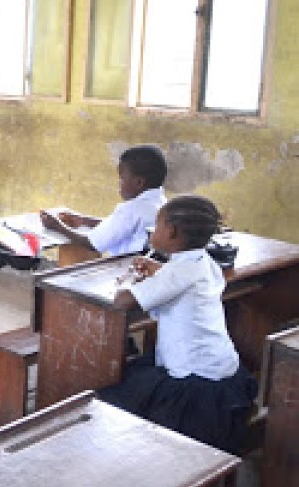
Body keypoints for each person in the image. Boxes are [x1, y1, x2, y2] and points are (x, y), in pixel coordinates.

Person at [100, 195, 257, 453]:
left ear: (171, 232)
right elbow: (180, 279)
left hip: (196, 383)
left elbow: (122, 301)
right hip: (222, 368)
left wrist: (128, 280)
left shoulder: (178, 273)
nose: (154, 229)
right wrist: (157, 269)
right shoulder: (205, 262)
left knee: (116, 398)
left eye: (158, 225)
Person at [40, 144, 168, 256]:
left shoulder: (133, 209)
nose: (119, 183)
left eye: (122, 179)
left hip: (126, 270)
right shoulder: (160, 202)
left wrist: (57, 227)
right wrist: (84, 220)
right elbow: (119, 226)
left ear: (139, 182)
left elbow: (92, 243)